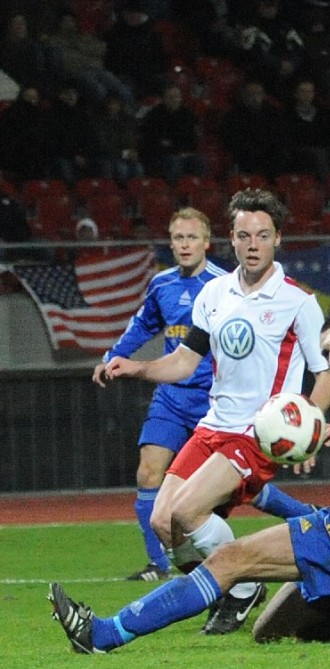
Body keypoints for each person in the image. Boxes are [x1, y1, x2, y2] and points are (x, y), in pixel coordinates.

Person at [48, 310, 330, 653]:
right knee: (275, 630)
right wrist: (259, 493)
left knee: (230, 560)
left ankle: (104, 633)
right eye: (326, 352)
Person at [88, 188, 330, 634]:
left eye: (263, 235)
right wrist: (137, 367)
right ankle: (231, 587)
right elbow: (185, 362)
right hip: (212, 425)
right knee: (163, 522)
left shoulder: (298, 302)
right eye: (244, 235)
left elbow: (325, 374)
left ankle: (242, 586)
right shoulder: (214, 294)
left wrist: (310, 429)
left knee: (187, 512)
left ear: (278, 238)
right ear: (232, 239)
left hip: (257, 434)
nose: (253, 244)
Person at [92, 208, 226, 581]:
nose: (185, 245)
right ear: (170, 243)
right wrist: (111, 357)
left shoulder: (223, 286)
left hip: (213, 400)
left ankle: (298, 515)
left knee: (229, 488)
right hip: (171, 395)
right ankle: (158, 565)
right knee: (149, 472)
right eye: (178, 238)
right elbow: (141, 326)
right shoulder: (162, 285)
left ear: (206, 242)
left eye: (192, 237)